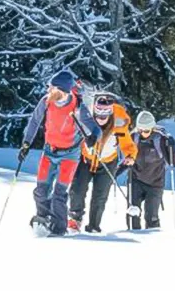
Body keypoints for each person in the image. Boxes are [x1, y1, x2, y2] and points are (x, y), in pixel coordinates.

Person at [17, 69, 99, 236]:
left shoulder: (77, 107)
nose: (48, 91)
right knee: (41, 190)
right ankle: (42, 220)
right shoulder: (46, 102)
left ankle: (58, 231)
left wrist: (93, 138)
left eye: (52, 88)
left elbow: (95, 128)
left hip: (69, 154)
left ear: (62, 91)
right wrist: (26, 144)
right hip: (49, 151)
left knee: (59, 194)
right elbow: (34, 122)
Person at [68, 92, 137, 233]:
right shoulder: (87, 119)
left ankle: (93, 225)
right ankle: (75, 219)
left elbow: (127, 143)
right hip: (86, 159)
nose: (100, 120)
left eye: (104, 117)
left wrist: (130, 155)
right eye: (98, 116)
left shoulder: (119, 123)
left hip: (108, 162)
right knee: (77, 189)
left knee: (100, 195)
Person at [126, 110, 175, 230]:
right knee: (133, 215)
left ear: (152, 128)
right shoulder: (134, 137)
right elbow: (127, 158)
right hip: (136, 180)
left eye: (146, 130)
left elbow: (173, 163)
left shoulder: (161, 139)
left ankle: (152, 242)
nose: (143, 133)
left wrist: (172, 147)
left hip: (155, 183)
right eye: (140, 130)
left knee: (151, 217)